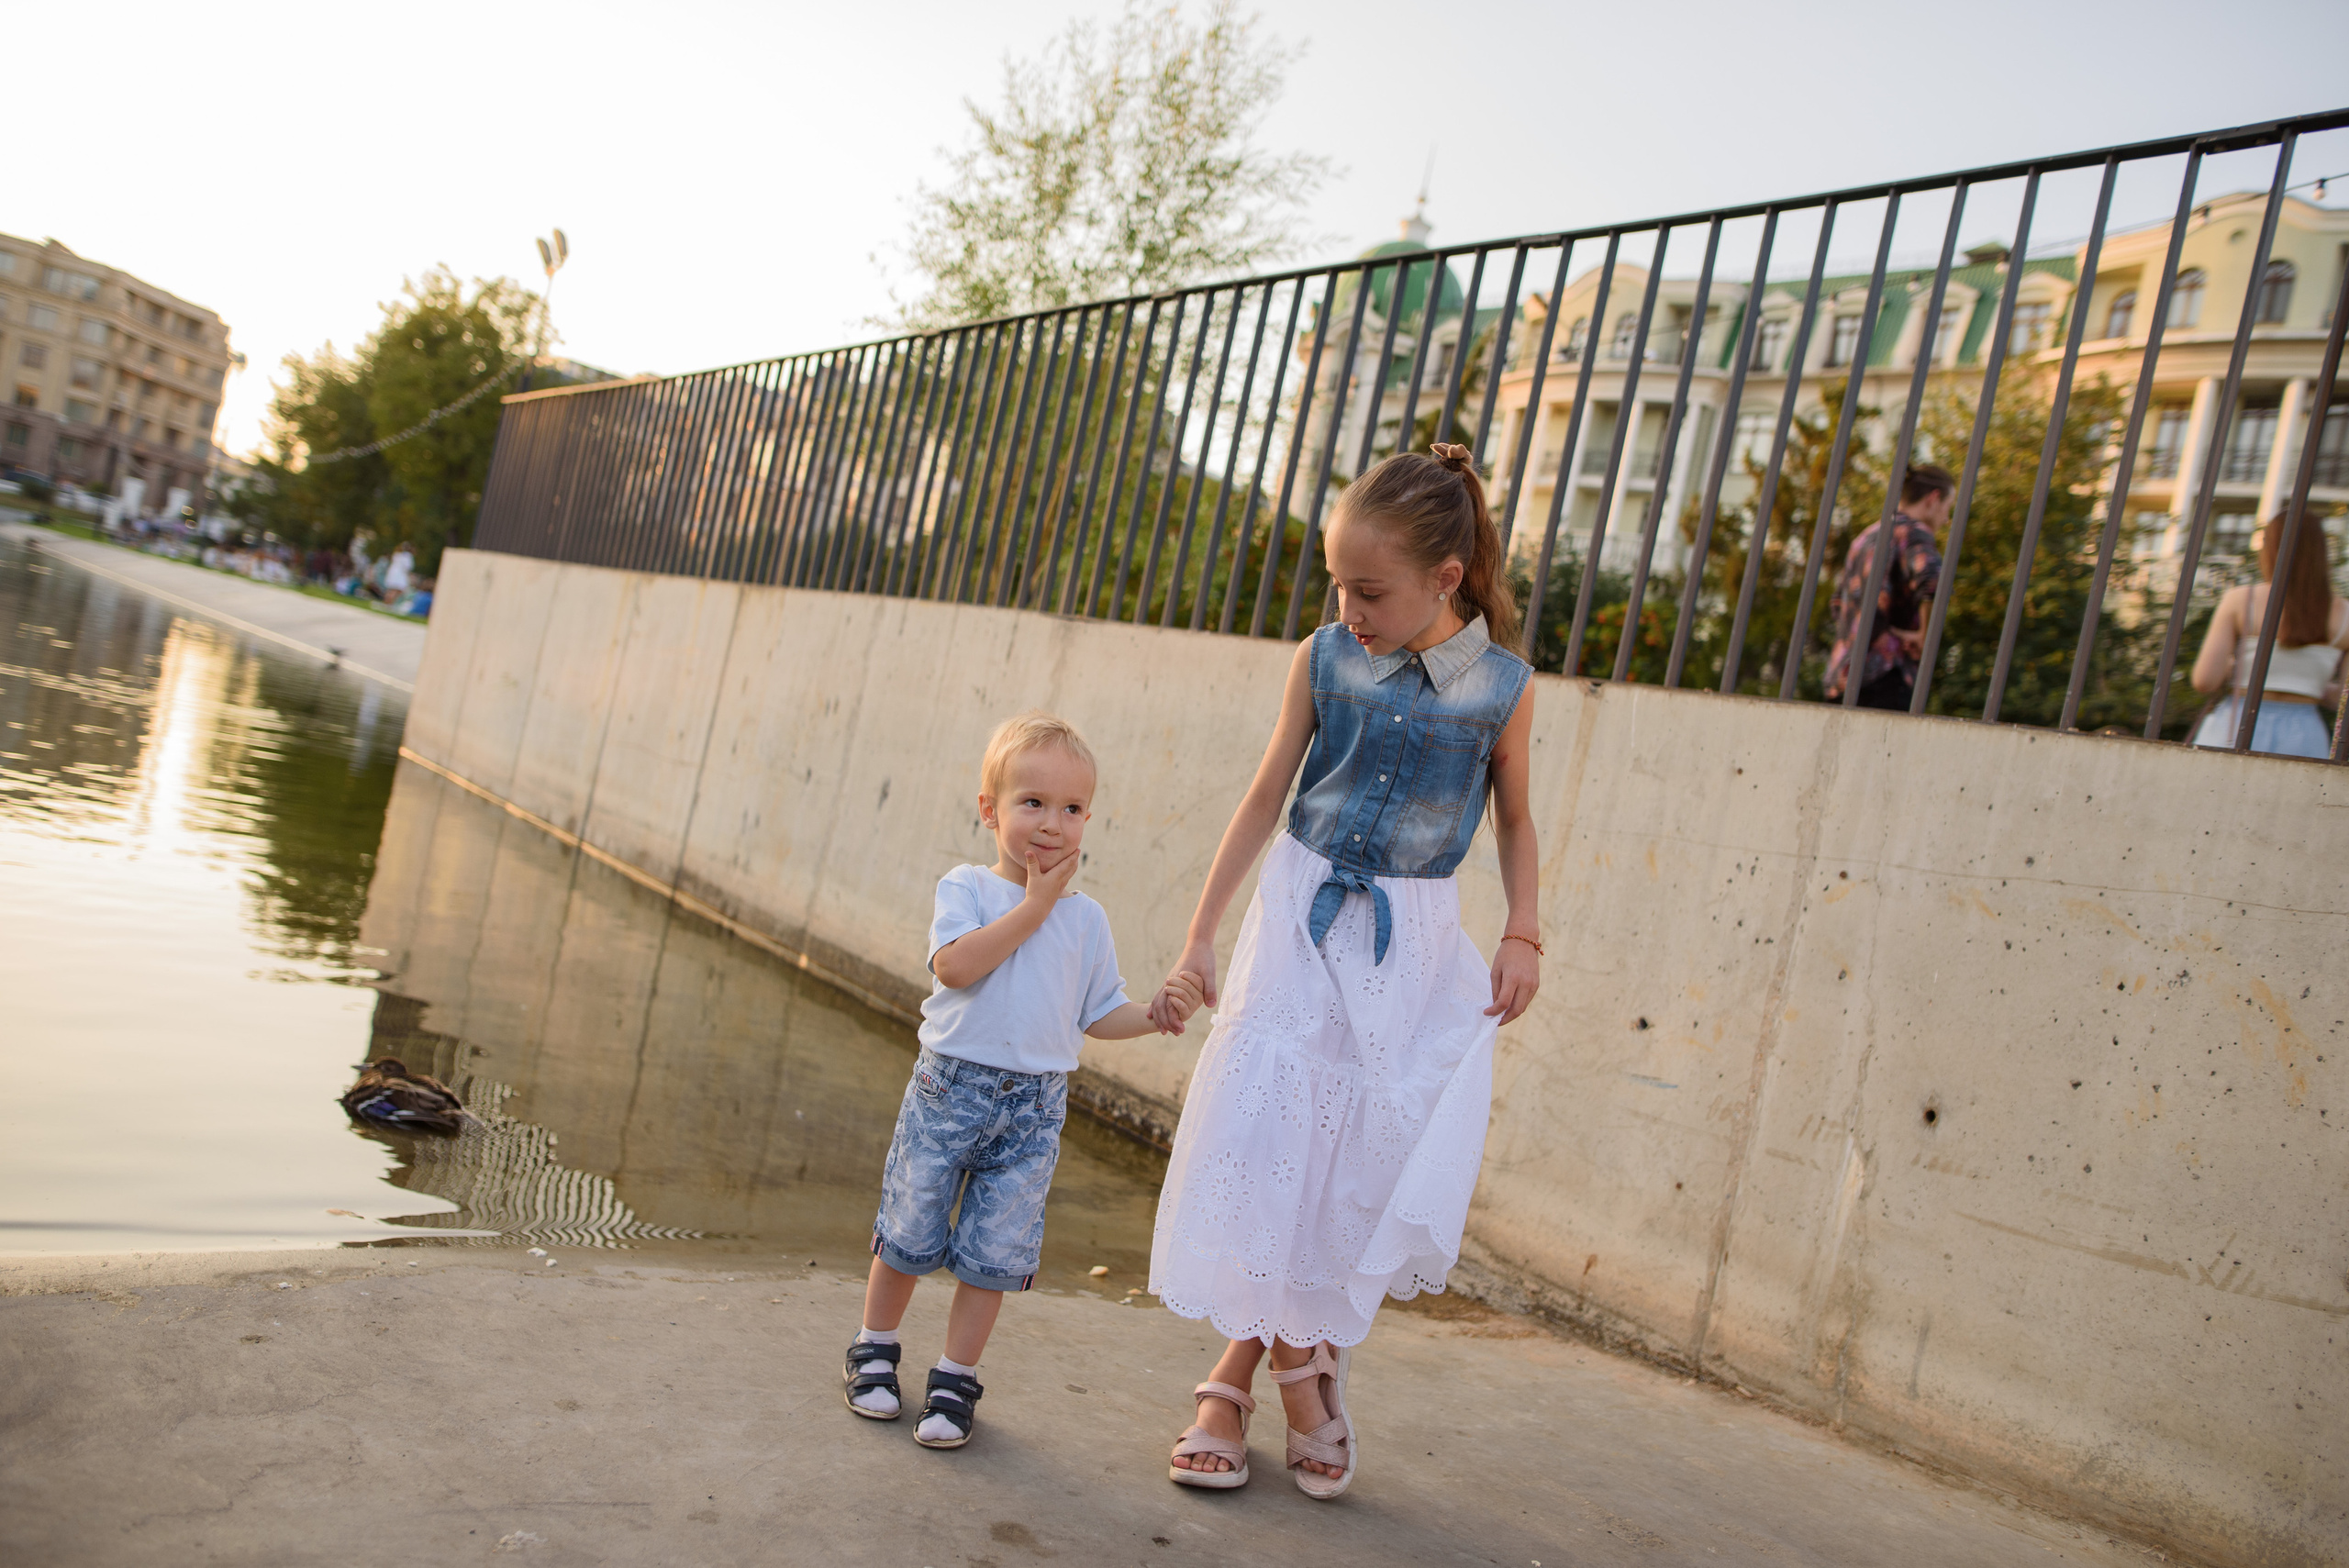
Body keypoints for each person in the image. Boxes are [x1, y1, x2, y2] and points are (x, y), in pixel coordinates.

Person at [1148, 443, 1542, 1498]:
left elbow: (1514, 815)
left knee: (1353, 1146)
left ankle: (1251, 1367)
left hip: (1408, 933)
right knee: (1273, 1129)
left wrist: (1524, 930)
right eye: (1338, 584)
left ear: (1444, 579)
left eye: (1369, 590)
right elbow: (1266, 790)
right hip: (1300, 910)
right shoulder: (1324, 656)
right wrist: (1200, 932)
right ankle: (1291, 1374)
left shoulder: (1502, 687)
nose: (1348, 606)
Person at [844, 713, 1204, 1449]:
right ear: (990, 810)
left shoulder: (1087, 920)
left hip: (1034, 1110)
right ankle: (874, 1346)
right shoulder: (968, 886)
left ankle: (954, 1377)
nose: (1053, 823)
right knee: (910, 1230)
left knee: (993, 1253)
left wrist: (1156, 1013)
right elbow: (955, 967)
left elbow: (1096, 1013)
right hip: (951, 1089)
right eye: (1032, 802)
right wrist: (1035, 905)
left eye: (1072, 809)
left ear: (1088, 820)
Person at [2189, 514, 2347, 759]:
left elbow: (2205, 680)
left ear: (2270, 548)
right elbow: (2345, 701)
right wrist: (2313, 682)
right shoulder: (2345, 614)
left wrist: (2234, 668)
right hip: (2304, 732)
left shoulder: (2242, 600)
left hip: (2236, 724)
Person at [1822, 463, 1956, 709]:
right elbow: (1934, 581)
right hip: (1885, 676)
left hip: (1843, 677)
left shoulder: (1867, 536)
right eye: (1948, 508)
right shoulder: (1914, 533)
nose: (1947, 519)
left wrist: (1889, 634)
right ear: (1933, 499)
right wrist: (1924, 636)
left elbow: (1839, 604)